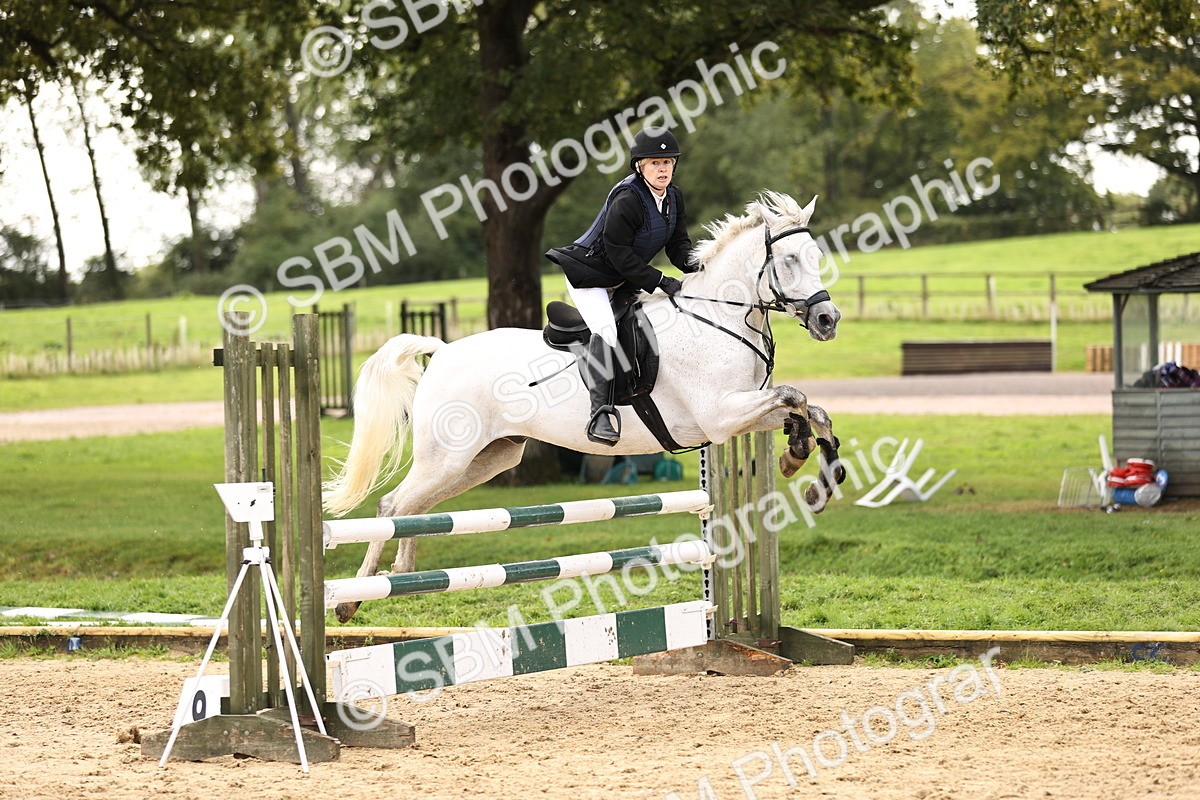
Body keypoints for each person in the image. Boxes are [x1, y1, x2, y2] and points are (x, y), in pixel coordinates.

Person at [545, 126, 696, 446]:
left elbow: (678, 246)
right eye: (655, 163)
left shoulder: (674, 198)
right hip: (592, 277)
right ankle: (599, 413)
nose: (663, 169)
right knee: (606, 330)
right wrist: (660, 281)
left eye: (668, 162)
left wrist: (702, 264)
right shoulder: (628, 199)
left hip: (625, 277)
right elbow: (619, 254)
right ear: (640, 166)